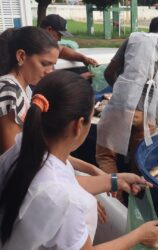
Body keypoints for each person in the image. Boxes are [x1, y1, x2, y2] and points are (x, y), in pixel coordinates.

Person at [0, 70, 158, 249]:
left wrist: (115, 180)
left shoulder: (25, 147)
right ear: (78, 125)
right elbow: (59, 194)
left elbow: (59, 185)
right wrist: (140, 235)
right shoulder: (66, 199)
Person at [0, 27, 104, 177]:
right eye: (44, 64)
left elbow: (42, 149)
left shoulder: (25, 89)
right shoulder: (9, 91)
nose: (50, 71)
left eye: (52, 65)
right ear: (21, 56)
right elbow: (12, 161)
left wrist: (91, 169)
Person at [96, 17, 158, 175]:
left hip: (122, 107)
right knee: (138, 160)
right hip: (149, 117)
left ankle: (113, 195)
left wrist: (121, 91)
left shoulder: (134, 39)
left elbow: (108, 73)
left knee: (106, 156)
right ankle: (135, 195)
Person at [40, 14, 98, 79]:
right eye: (59, 35)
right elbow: (52, 81)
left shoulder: (46, 45)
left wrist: (83, 58)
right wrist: (79, 78)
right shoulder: (38, 48)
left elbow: (62, 50)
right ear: (49, 29)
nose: (59, 39)